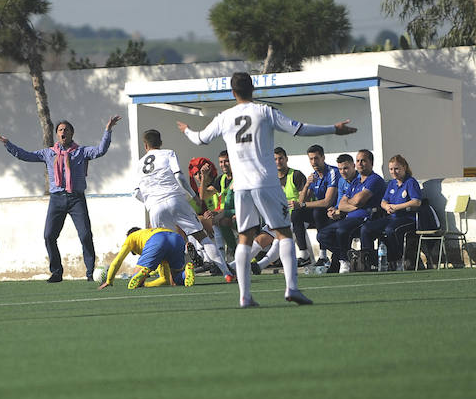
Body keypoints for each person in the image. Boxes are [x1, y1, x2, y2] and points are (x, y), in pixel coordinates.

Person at [178, 71, 357, 308]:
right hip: (266, 183)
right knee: (284, 233)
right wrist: (333, 128)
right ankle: (291, 288)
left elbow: (199, 139)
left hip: (240, 187)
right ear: (253, 89)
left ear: (233, 93)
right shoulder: (264, 111)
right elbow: (299, 128)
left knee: (244, 238)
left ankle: (244, 296)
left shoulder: (225, 117)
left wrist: (186, 130)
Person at [0, 115, 120, 282]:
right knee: (49, 236)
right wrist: (7, 144)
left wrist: (108, 130)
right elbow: (25, 155)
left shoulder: (81, 152)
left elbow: (100, 150)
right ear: (57, 134)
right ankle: (57, 272)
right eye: (60, 130)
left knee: (85, 235)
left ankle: (90, 272)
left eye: (66, 130)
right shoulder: (48, 153)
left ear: (72, 133)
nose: (63, 132)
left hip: (76, 199)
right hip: (57, 199)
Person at [135, 129, 233, 280]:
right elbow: (179, 176)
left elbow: (136, 192)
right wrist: (194, 197)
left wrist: (151, 203)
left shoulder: (139, 164)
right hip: (175, 199)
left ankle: (171, 278)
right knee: (201, 236)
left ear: (145, 146)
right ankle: (227, 273)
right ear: (160, 142)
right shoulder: (168, 153)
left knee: (164, 243)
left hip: (155, 207)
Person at [317, 149, 386, 274]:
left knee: (342, 230)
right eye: (358, 161)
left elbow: (359, 200)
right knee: (322, 235)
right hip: (349, 218)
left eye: (363, 161)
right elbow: (342, 204)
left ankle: (344, 261)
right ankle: (350, 256)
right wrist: (355, 205)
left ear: (371, 163)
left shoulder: (374, 179)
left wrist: (353, 203)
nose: (360, 163)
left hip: (365, 218)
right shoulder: (355, 182)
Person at [359, 154, 423, 271]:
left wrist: (397, 207)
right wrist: (387, 206)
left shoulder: (410, 182)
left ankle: (398, 259)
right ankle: (369, 261)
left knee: (391, 230)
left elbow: (416, 202)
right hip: (392, 217)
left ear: (404, 167)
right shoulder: (392, 183)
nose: (394, 172)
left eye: (396, 168)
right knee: (366, 228)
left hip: (408, 218)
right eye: (391, 169)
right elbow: (383, 201)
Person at [97, 227, 194, 290]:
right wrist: (147, 284)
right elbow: (166, 280)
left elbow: (118, 260)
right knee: (175, 281)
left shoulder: (131, 237)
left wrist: (109, 280)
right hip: (176, 238)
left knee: (135, 279)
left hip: (157, 240)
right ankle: (186, 273)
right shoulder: (147, 233)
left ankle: (144, 271)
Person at [290, 144, 339, 267]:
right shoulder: (314, 176)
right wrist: (306, 185)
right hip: (321, 212)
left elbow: (327, 202)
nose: (314, 162)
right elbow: (301, 201)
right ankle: (304, 254)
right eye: (311, 159)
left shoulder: (332, 172)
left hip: (334, 212)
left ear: (323, 158)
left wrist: (303, 204)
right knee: (296, 214)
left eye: (316, 158)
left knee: (318, 211)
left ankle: (323, 256)